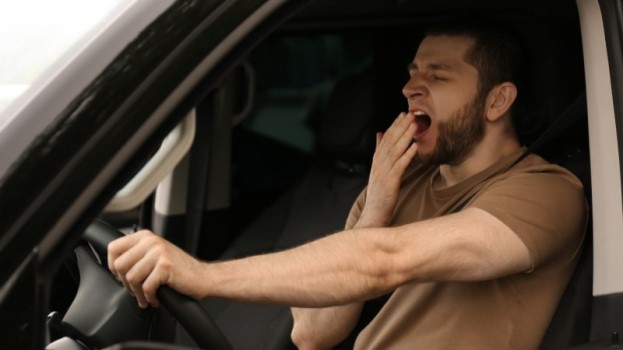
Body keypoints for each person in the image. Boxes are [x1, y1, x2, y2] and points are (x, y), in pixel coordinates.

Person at [107, 20, 587, 349]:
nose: (410, 89)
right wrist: (376, 204)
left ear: (498, 100)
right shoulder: (399, 177)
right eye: (412, 74)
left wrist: (204, 277)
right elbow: (312, 333)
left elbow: (386, 260)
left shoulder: (545, 191)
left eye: (438, 75)